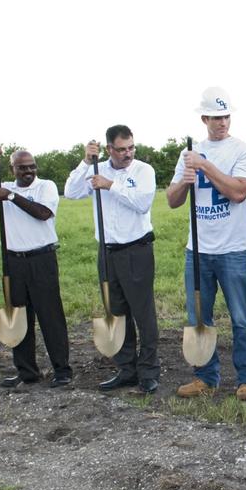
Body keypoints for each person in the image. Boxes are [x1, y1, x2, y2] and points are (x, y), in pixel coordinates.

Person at [167, 87, 246, 402]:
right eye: (216, 117)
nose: (222, 122)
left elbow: (238, 192)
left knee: (241, 316)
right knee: (198, 317)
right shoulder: (188, 155)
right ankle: (205, 377)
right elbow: (172, 200)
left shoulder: (244, 151)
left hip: (234, 249)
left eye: (226, 116)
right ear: (204, 118)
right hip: (198, 251)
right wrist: (185, 178)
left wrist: (204, 166)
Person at [64, 125, 160, 394]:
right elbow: (71, 192)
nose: (127, 153)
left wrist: (111, 186)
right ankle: (126, 369)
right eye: (121, 149)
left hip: (136, 249)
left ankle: (149, 371)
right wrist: (85, 162)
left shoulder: (143, 170)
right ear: (109, 149)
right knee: (116, 312)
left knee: (143, 313)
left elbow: (142, 203)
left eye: (131, 147)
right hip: (107, 250)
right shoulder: (97, 169)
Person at [0, 148, 73, 389]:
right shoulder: (4, 185)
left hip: (42, 259)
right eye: (22, 167)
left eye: (32, 166)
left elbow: (42, 213)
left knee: (51, 316)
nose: (29, 171)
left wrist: (11, 197)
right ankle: (27, 370)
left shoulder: (45, 186)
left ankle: (62, 369)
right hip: (14, 261)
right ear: (12, 169)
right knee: (18, 315)